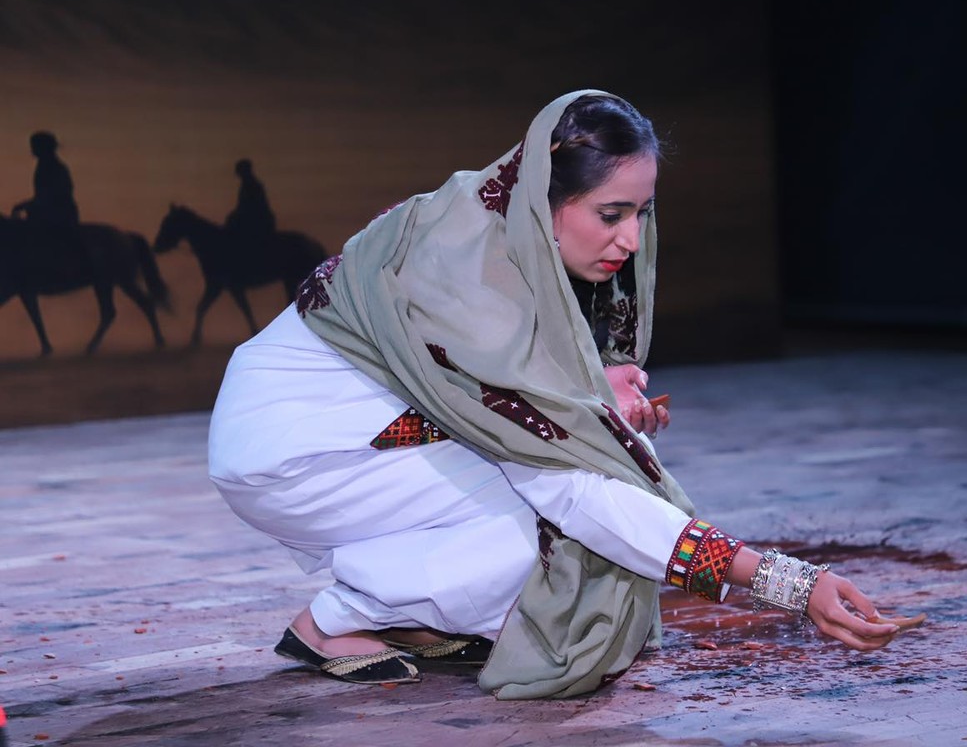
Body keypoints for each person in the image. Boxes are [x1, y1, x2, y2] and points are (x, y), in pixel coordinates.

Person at [207, 90, 899, 700]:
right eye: (611, 213)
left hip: (344, 425)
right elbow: (575, 488)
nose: (632, 239)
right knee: (569, 524)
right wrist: (785, 581)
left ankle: (409, 615)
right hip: (296, 447)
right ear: (546, 199)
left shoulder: (495, 221)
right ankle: (340, 620)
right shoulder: (476, 288)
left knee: (584, 471)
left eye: (642, 213)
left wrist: (586, 393)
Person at [11, 131, 80, 230]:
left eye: (35, 145)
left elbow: (51, 196)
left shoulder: (53, 167)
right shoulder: (47, 165)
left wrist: (26, 206)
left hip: (58, 216)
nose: (32, 149)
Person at [223, 158, 276, 258]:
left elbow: (251, 204)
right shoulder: (248, 184)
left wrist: (238, 212)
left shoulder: (252, 185)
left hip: (257, 216)